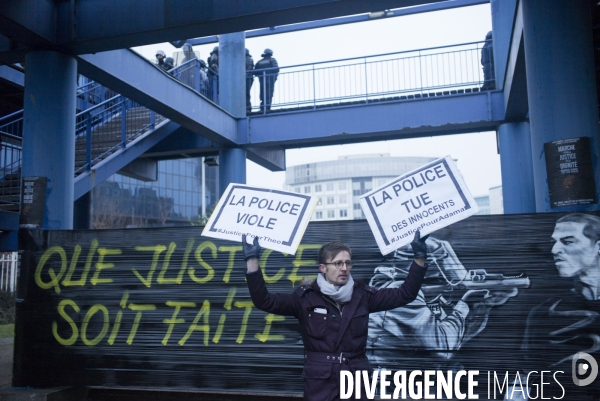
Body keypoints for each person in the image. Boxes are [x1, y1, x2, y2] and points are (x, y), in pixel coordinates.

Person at [242, 231, 430, 401]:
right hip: (321, 382)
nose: (344, 268)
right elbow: (265, 301)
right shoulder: (305, 298)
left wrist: (419, 257)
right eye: (338, 263)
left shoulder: (363, 295)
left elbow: (404, 294)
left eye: (347, 263)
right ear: (322, 268)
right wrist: (252, 260)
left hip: (356, 378)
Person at [521, 213, 600, 399]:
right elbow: (527, 375)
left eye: (568, 241)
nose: (555, 250)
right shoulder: (543, 313)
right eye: (554, 242)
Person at [246, 48, 255, 114]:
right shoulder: (246, 59)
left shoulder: (248, 59)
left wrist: (245, 76)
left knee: (246, 93)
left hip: (247, 78)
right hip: (246, 78)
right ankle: (246, 108)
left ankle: (248, 108)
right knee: (245, 93)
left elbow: (249, 68)